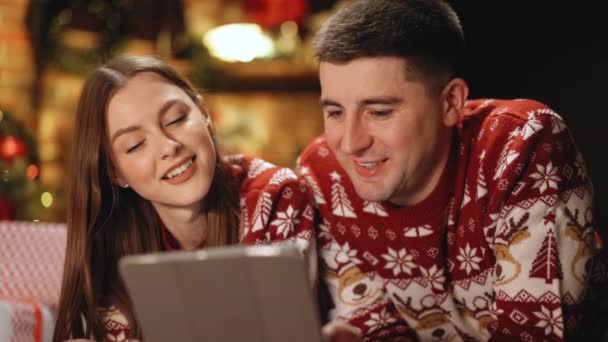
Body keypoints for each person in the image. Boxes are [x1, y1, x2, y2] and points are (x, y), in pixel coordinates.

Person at [297, 0, 601, 340]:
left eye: (379, 112)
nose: (351, 143)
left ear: (450, 103)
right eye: (335, 112)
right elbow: (378, 331)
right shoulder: (323, 171)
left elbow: (533, 335)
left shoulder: (521, 143)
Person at [52, 55, 319, 342]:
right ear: (114, 172)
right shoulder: (112, 248)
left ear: (204, 112)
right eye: (135, 145)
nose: (169, 146)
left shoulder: (278, 196)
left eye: (176, 119)